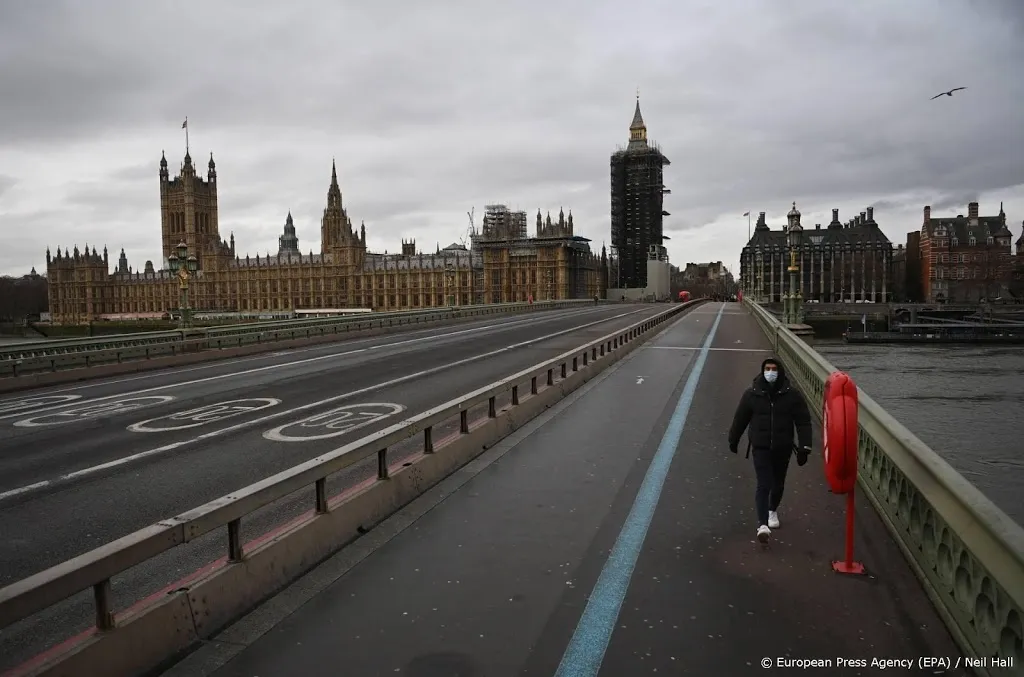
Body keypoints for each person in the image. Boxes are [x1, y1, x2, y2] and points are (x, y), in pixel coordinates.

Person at [728, 358, 813, 543]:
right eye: (767, 369)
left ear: (780, 371)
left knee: (778, 483)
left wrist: (804, 447)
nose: (770, 372)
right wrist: (733, 440)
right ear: (762, 370)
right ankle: (762, 524)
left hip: (783, 446)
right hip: (760, 446)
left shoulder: (793, 396)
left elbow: (803, 422)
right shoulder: (752, 394)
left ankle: (772, 510)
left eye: (774, 369)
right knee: (764, 483)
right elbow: (740, 419)